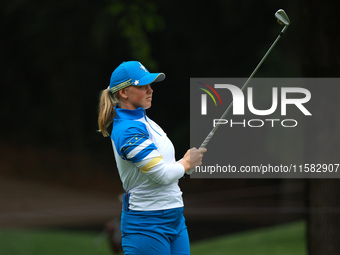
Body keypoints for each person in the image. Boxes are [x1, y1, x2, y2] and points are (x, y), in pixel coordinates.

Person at [98, 61, 207, 255]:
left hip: (174, 217)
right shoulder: (129, 130)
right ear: (123, 92)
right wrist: (186, 163)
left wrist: (186, 165)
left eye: (150, 85)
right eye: (142, 86)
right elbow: (162, 175)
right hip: (147, 224)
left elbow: (166, 167)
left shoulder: (145, 121)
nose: (150, 90)